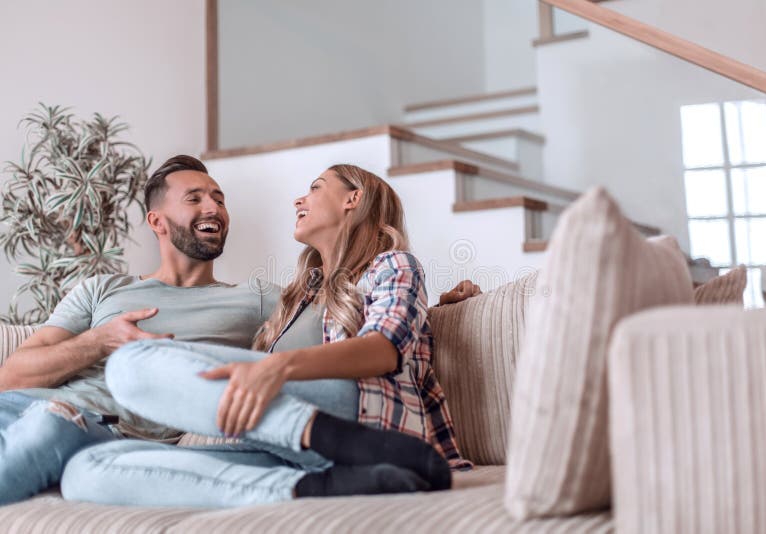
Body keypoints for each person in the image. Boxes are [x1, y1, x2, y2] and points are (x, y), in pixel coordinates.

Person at [0, 156, 479, 505]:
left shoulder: (266, 294)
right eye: (196, 198)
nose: (215, 206)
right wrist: (102, 337)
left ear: (353, 200)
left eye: (219, 198)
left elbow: (383, 339)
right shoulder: (297, 295)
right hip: (287, 450)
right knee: (85, 477)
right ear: (157, 221)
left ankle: (338, 443)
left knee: (127, 369)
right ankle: (316, 488)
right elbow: (10, 377)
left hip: (355, 417)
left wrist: (434, 312)